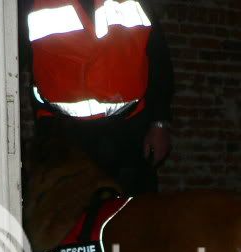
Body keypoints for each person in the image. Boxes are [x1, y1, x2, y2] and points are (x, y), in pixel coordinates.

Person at [26, 0, 174, 194]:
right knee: (68, 216)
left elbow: (158, 59)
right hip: (62, 135)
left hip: (127, 133)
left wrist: (159, 123)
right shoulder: (30, 4)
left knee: (131, 216)